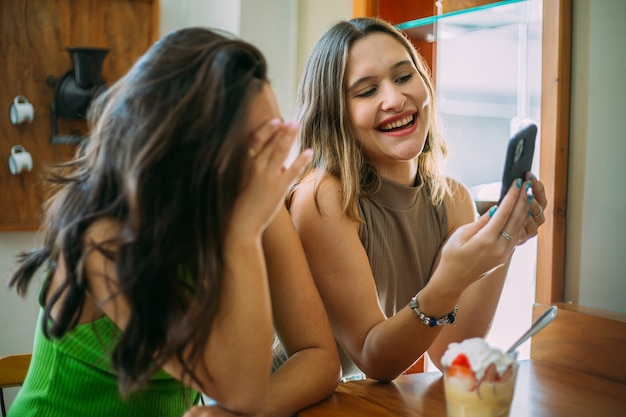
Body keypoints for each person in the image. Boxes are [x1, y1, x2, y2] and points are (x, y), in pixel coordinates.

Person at [8, 27, 339, 417]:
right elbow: (240, 390)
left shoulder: (250, 204)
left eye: (271, 139)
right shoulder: (105, 237)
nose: (263, 163)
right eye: (248, 144)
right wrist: (242, 235)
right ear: (179, 143)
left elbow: (318, 356)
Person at [287, 17, 547, 382]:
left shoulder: (452, 197)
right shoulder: (323, 197)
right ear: (336, 114)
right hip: (272, 398)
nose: (394, 99)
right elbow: (373, 359)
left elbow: (450, 352)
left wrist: (504, 239)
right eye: (366, 91)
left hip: (340, 397)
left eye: (403, 76)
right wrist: (451, 278)